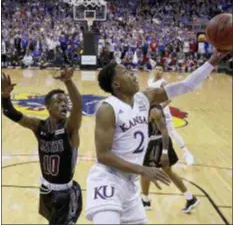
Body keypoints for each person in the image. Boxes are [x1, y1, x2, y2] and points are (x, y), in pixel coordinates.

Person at [85, 50, 229, 224]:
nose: (133, 74)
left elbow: (187, 85)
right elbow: (103, 155)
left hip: (130, 184)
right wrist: (143, 169)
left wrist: (213, 61)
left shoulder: (145, 98)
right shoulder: (107, 109)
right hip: (107, 180)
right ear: (116, 84)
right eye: (126, 72)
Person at [1, 68, 83, 225]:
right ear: (49, 107)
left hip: (64, 193)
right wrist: (5, 97)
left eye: (65, 102)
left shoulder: (70, 128)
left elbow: (78, 107)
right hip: (46, 189)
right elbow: (11, 113)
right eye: (58, 102)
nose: (64, 105)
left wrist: (68, 81)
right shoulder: (39, 126)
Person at [141, 104, 199, 213]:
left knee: (145, 171)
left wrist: (164, 152)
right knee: (169, 172)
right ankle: (190, 198)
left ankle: (145, 200)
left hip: (157, 143)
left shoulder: (154, 111)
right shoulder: (153, 106)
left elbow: (164, 131)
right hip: (157, 142)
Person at [147, 65, 194, 166]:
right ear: (154, 70)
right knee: (149, 133)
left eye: (161, 70)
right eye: (157, 69)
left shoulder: (163, 83)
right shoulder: (150, 80)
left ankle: (187, 153)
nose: (158, 71)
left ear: (163, 72)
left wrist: (161, 106)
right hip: (152, 110)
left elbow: (170, 97)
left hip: (163, 110)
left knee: (172, 132)